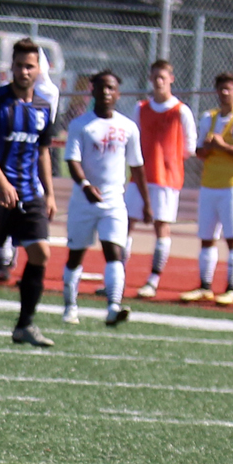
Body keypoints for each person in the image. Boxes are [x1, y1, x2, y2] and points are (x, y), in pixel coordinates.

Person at [0, 38, 58, 346]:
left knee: (40, 253)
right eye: (18, 65)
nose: (23, 71)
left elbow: (44, 151)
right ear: (11, 68)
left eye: (29, 66)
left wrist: (50, 193)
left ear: (38, 69)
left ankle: (25, 325)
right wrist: (2, 182)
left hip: (30, 193)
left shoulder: (44, 106)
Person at [61, 70, 147, 327]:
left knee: (114, 252)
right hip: (83, 201)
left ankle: (113, 306)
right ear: (93, 91)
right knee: (76, 255)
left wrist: (146, 202)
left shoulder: (128, 127)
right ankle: (70, 306)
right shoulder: (80, 125)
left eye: (111, 88)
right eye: (101, 88)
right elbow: (72, 160)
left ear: (118, 93)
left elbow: (137, 166)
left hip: (113, 201)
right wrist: (85, 185)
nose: (106, 92)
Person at [182, 72, 233, 305]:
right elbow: (200, 152)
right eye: (220, 89)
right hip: (209, 185)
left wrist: (224, 146)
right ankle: (205, 285)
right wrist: (206, 147)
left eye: (229, 89)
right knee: (206, 237)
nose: (224, 93)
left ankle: (232, 288)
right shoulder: (209, 118)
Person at [129, 59, 197, 298]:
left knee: (161, 227)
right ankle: (117, 275)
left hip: (166, 179)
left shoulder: (180, 111)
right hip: (139, 178)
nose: (159, 81)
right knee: (127, 223)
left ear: (171, 79)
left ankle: (153, 279)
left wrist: (167, 161)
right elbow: (133, 140)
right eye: (155, 77)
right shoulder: (141, 108)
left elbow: (189, 146)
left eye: (163, 77)